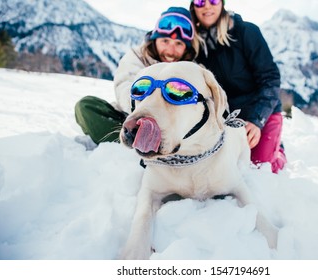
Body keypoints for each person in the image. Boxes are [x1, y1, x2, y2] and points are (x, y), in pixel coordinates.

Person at [75, 7, 198, 144]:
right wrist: (145, 113)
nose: (170, 50)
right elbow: (124, 87)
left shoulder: (192, 70)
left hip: (171, 124)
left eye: (178, 44)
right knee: (86, 106)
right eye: (165, 41)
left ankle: (142, 144)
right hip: (131, 118)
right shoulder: (137, 57)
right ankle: (128, 142)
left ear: (187, 48)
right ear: (155, 39)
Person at [189, 0, 286, 173]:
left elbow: (270, 79)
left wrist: (257, 121)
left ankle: (278, 152)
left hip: (261, 113)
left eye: (213, 0)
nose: (207, 6)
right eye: (200, 1)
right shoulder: (196, 47)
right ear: (193, 7)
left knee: (259, 169)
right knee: (223, 169)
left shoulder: (246, 32)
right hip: (227, 120)